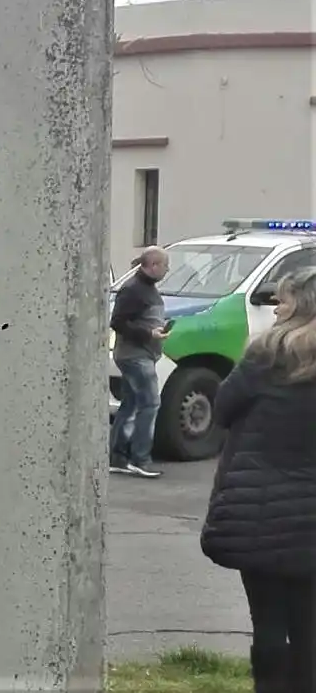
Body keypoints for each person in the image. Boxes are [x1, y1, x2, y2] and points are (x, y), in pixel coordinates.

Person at [201, 267, 316, 693]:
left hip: (259, 507)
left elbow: (224, 408)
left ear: (300, 305)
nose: (276, 306)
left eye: (282, 299)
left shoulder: (265, 354)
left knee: (267, 622)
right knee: (308, 625)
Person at [108, 245, 170, 479]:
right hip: (135, 356)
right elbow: (118, 322)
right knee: (150, 404)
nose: (167, 270)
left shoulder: (144, 287)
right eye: (165, 265)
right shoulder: (134, 289)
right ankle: (140, 459)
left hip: (139, 354)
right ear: (153, 265)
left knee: (131, 405)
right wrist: (149, 334)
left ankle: (119, 458)